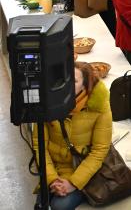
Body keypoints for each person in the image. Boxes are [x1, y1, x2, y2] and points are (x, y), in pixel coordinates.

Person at [32, 62, 111, 210]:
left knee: (59, 206)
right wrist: (52, 179)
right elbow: (39, 145)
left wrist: (73, 183)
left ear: (84, 85)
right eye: (65, 79)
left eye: (74, 81)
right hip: (55, 168)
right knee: (41, 203)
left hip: (81, 168)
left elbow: (100, 150)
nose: (67, 85)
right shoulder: (46, 103)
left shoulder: (99, 107)